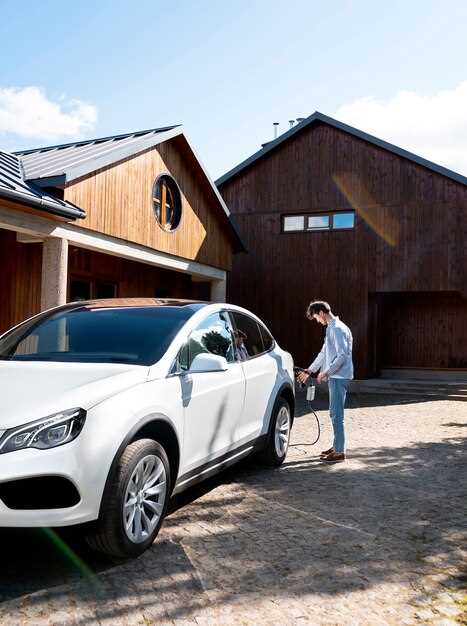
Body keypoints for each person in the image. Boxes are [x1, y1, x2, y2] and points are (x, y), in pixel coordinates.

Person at [297, 300, 353, 462]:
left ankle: (339, 451)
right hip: (337, 376)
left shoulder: (336, 329)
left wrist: (326, 372)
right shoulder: (333, 328)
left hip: (338, 376)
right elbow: (324, 353)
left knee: (336, 414)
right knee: (334, 412)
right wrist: (310, 370)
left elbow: (342, 355)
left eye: (316, 317)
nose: (317, 321)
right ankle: (337, 446)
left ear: (321, 313)